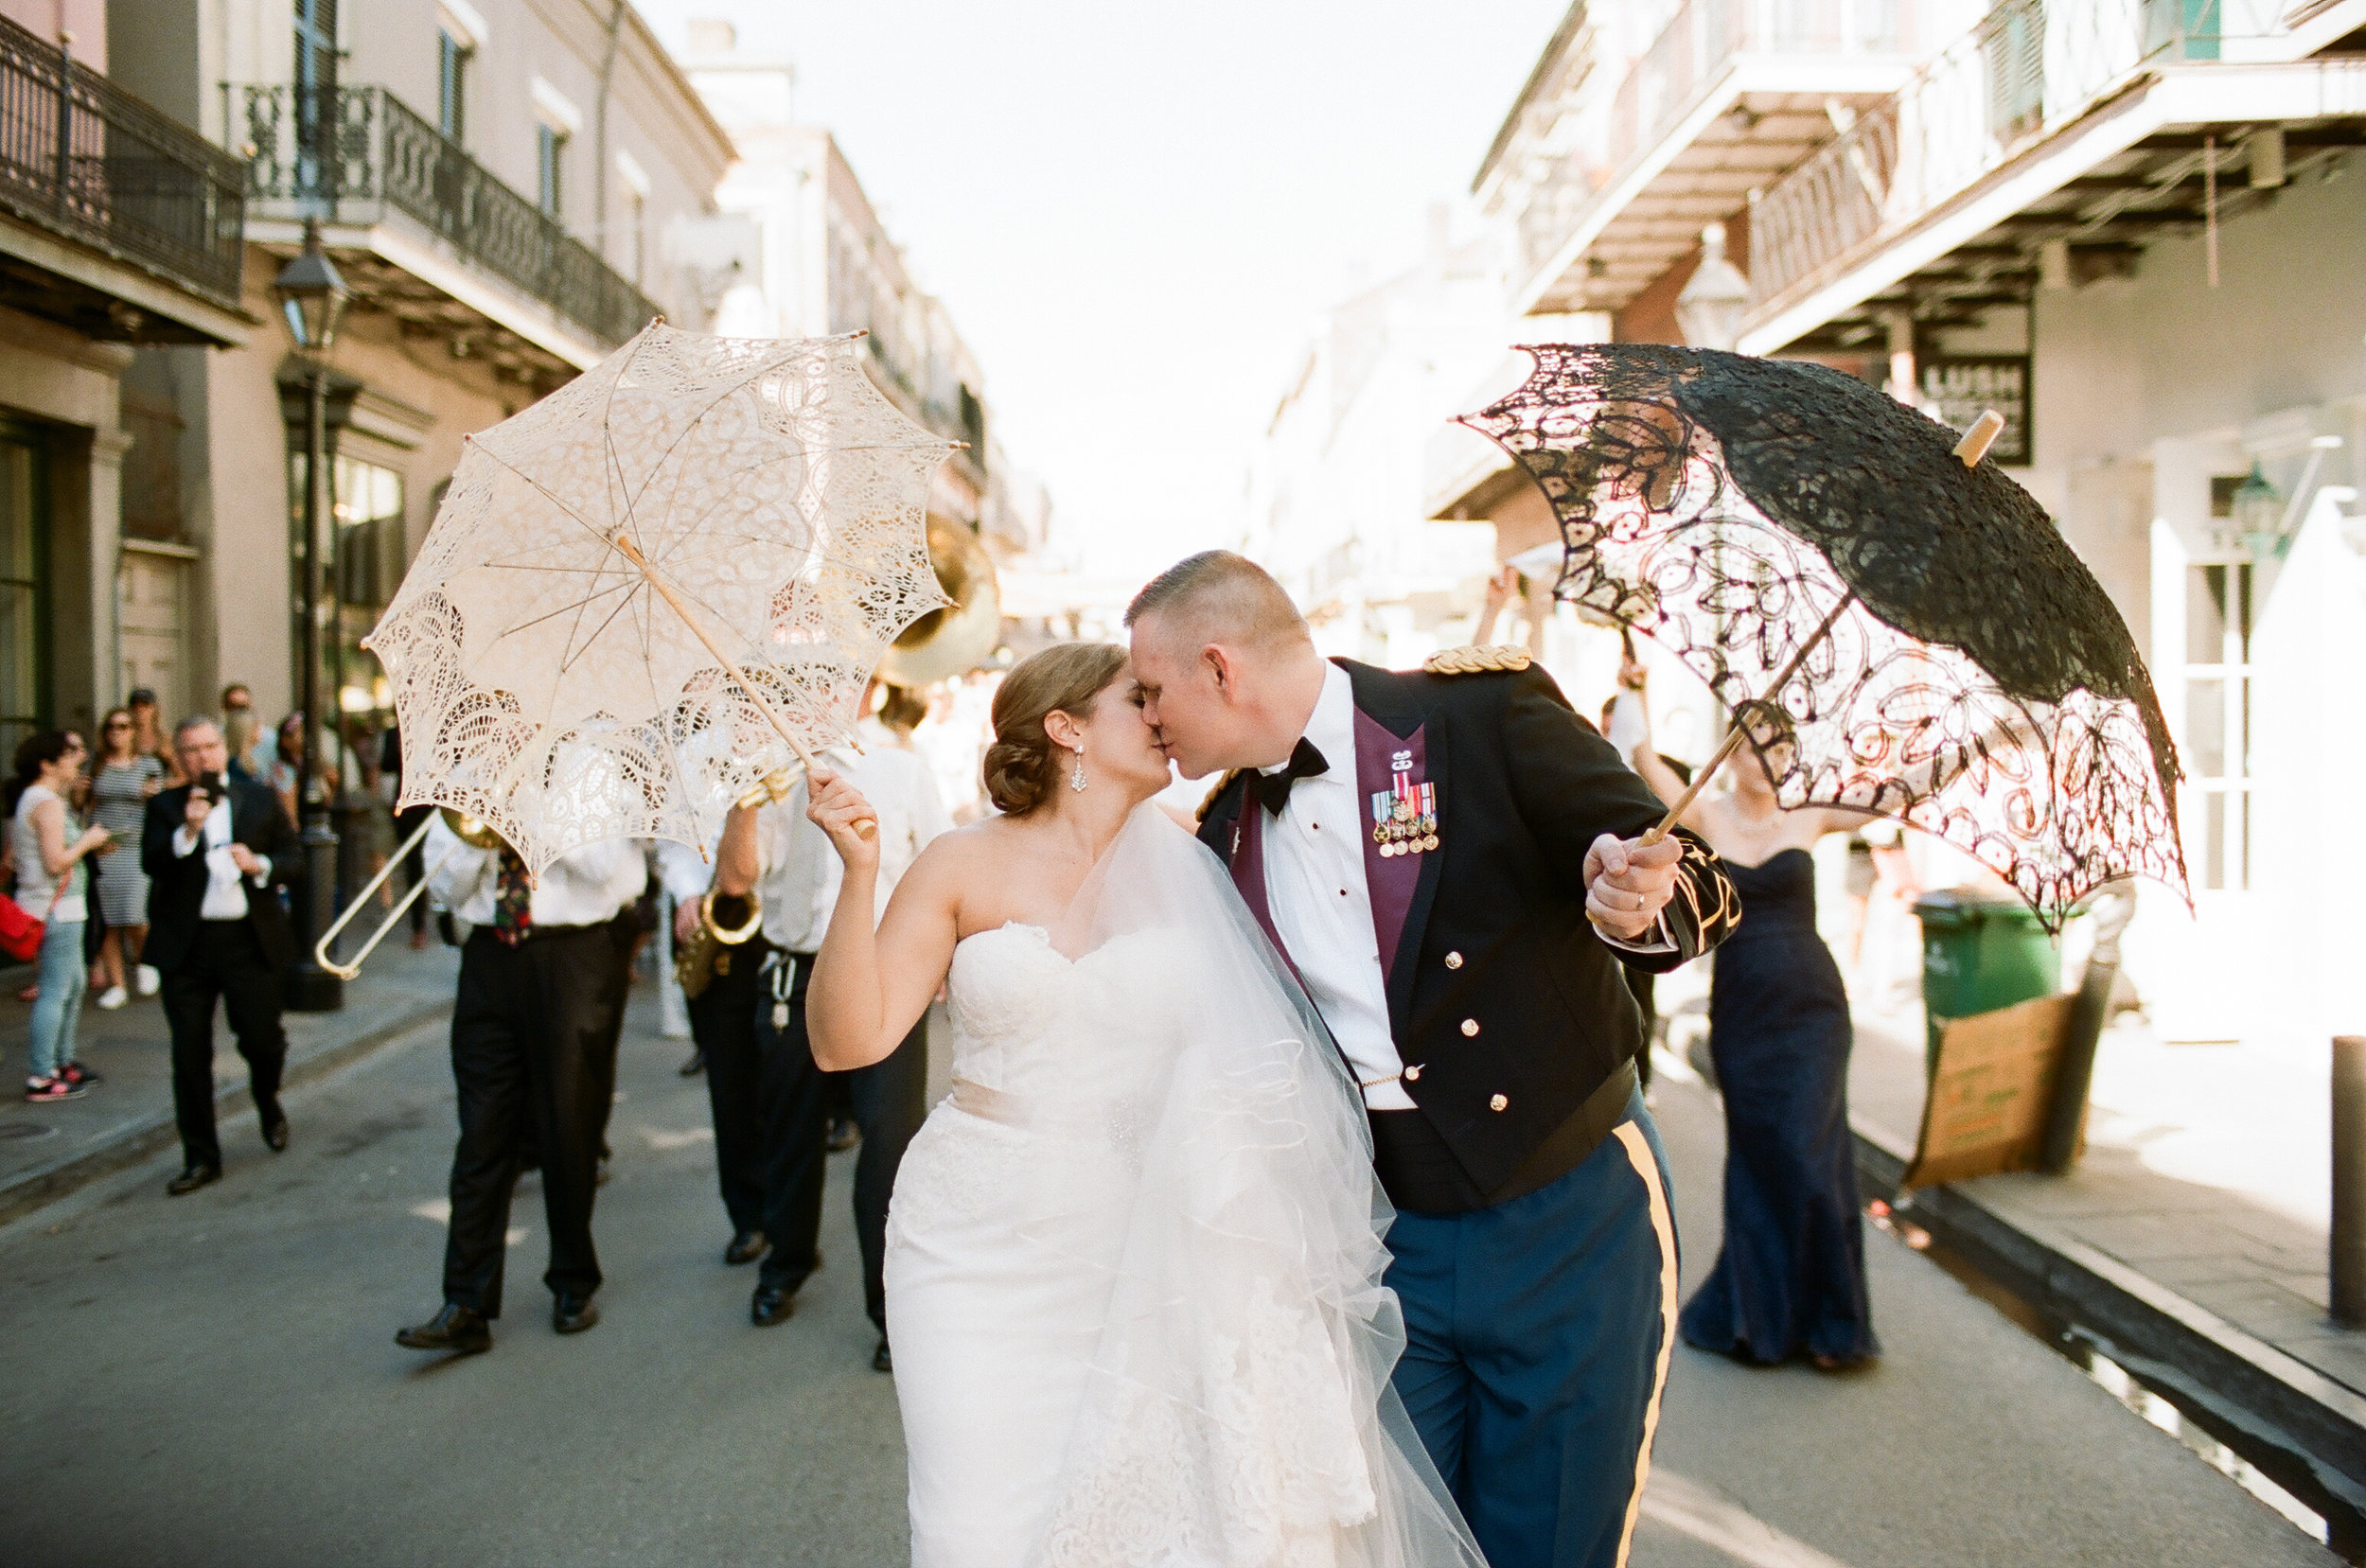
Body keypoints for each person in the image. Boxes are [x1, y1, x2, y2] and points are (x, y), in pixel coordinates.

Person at [803, 642, 1489, 1567]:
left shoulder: (1203, 864)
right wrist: (858, 873)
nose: (1164, 714)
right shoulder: (957, 862)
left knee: (1144, 1527)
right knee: (975, 1524)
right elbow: (848, 1040)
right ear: (1065, 727)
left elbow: (1264, 1052)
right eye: (1138, 699)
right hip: (972, 1246)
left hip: (1142, 1239)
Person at [1129, 551, 1739, 1568]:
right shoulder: (1224, 828)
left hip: (1567, 1216)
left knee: (1548, 1549)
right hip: (1378, 1246)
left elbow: (1695, 882)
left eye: (1154, 691)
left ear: (1220, 667)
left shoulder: (1477, 716)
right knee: (1400, 1549)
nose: (1151, 717)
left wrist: (1641, 902)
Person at [1613, 660, 1880, 1370]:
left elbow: (1898, 795)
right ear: (1731, 748)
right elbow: (1642, 760)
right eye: (1755, 740)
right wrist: (1633, 685)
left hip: (1814, 1010)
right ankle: (1756, 1319)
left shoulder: (1812, 811)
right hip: (1744, 1012)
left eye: (1780, 745)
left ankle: (1831, 1323)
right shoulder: (1706, 813)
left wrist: (1975, 747)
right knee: (1761, 1158)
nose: (1770, 756)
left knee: (1811, 1154)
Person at [703, 714, 950, 1348]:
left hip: (882, 972)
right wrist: (745, 801)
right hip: (793, 971)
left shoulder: (900, 769)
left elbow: (937, 863)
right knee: (787, 1131)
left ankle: (890, 1305)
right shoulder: (764, 771)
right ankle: (786, 1262)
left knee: (888, 1143)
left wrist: (941, 957)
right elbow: (735, 880)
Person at [395, 817, 644, 1355]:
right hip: (489, 955)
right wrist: (479, 831)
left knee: (568, 1123)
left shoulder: (589, 769)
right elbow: (445, 889)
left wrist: (529, 813)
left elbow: (606, 869)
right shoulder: (469, 779)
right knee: (482, 1130)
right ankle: (467, 1301)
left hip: (573, 953)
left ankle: (573, 1281)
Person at [141, 717, 302, 1195]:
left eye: (210, 747)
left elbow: (294, 860)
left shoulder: (259, 796)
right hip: (187, 948)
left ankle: (267, 1099)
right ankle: (201, 1157)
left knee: (262, 1040)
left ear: (222, 749)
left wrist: (261, 865)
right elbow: (152, 863)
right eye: (190, 750)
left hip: (247, 943)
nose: (203, 757)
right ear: (177, 756)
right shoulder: (165, 806)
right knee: (189, 1054)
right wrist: (187, 832)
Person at [10, 731, 114, 1101]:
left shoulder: (42, 800)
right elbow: (56, 862)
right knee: (57, 991)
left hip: (61, 907)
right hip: (55, 908)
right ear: (47, 764)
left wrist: (91, 844)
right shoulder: (47, 803)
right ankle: (42, 1074)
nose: (77, 760)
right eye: (69, 755)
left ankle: (60, 1063)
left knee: (73, 986)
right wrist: (87, 842)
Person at [86, 707, 167, 1009]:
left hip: (136, 846)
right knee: (109, 921)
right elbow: (85, 805)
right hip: (106, 847)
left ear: (134, 731)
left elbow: (160, 805)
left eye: (123, 726)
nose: (116, 732)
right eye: (111, 727)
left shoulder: (148, 765)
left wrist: (152, 795)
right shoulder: (96, 765)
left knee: (136, 915)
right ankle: (117, 985)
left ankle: (146, 962)